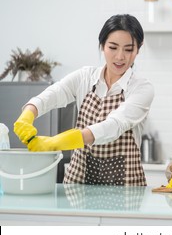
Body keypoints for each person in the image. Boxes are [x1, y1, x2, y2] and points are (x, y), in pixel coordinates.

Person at [13, 14, 154, 186]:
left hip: (124, 189)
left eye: (128, 49)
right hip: (78, 183)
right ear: (102, 46)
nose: (120, 57)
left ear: (138, 49)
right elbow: (54, 94)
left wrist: (55, 142)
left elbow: (113, 126)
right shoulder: (85, 77)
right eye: (113, 47)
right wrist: (28, 114)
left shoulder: (141, 88)